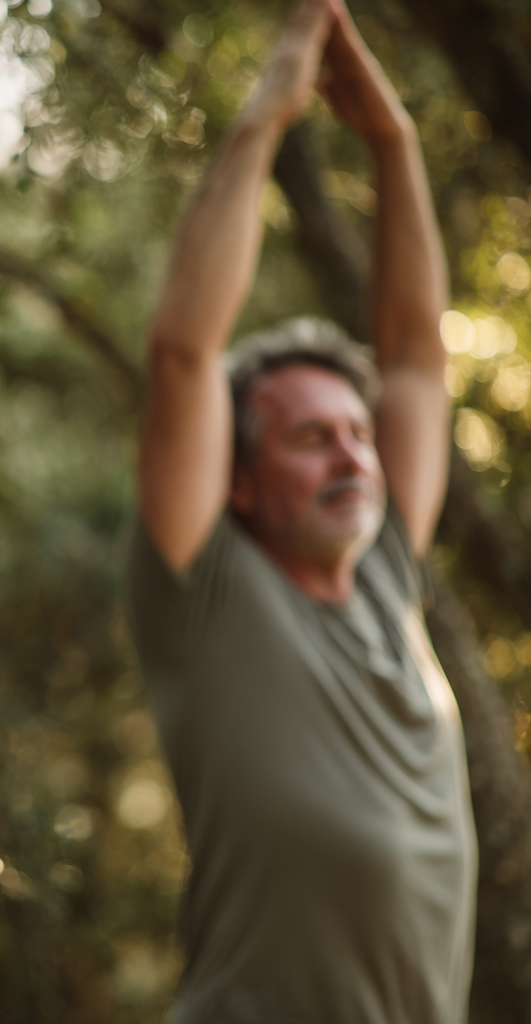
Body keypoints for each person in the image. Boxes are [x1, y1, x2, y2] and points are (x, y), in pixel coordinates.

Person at [125, 2, 476, 1022]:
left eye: (355, 432)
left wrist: (392, 141)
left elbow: (414, 355)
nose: (352, 454)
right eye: (310, 437)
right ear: (237, 478)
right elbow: (185, 351)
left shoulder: (385, 570)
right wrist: (266, 116)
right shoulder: (203, 587)